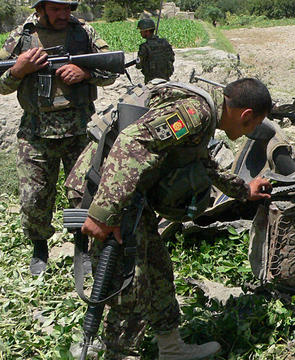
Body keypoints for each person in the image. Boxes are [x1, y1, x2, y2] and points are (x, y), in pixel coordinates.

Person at [65, 77, 273, 359]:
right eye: (254, 125)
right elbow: (132, 143)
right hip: (105, 189)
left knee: (157, 270)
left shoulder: (206, 112)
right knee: (130, 282)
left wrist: (243, 190)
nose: (250, 132)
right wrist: (104, 212)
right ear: (246, 115)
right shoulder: (195, 112)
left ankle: (171, 349)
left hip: (126, 192)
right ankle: (119, 352)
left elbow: (200, 162)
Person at [0, 0, 117, 276]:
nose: (64, 15)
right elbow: (1, 84)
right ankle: (40, 249)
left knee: (83, 195)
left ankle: (82, 246)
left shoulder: (84, 33)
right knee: (34, 197)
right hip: (35, 133)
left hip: (80, 130)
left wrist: (86, 73)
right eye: (56, 9)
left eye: (68, 9)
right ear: (40, 9)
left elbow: (112, 69)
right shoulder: (21, 36)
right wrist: (20, 70)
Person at [136, 18, 175, 84]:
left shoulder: (144, 47)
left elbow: (138, 65)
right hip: (165, 79)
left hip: (151, 81)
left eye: (141, 30)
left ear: (147, 31)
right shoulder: (165, 42)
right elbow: (172, 58)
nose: (140, 32)